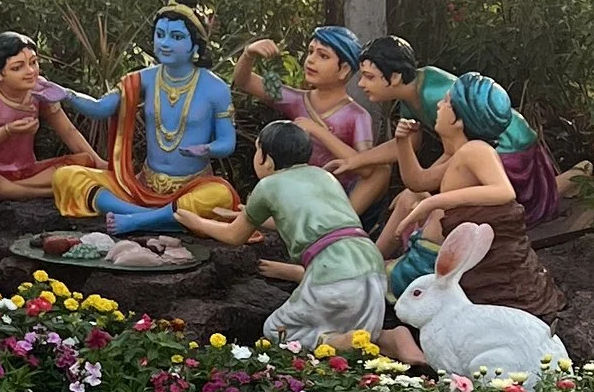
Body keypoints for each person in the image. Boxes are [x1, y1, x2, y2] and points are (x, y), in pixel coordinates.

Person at [376, 74, 564, 363]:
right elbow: (418, 180)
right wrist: (402, 143)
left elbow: (503, 190)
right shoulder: (460, 154)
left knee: (373, 282)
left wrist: (435, 202)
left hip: (438, 264)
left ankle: (394, 340)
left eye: (447, 101)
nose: (438, 104)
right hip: (435, 257)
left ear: (459, 119)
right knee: (378, 276)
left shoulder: (477, 151)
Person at [193, 120, 389, 347]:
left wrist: (197, 221)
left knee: (277, 329)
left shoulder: (269, 185)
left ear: (267, 159)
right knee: (360, 335)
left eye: (257, 150)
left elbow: (234, 236)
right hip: (372, 266)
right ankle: (394, 340)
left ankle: (331, 342)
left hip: (333, 270)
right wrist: (247, 216)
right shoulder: (323, 176)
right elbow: (306, 223)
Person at [50, 3, 238, 236]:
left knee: (220, 196)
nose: (165, 43)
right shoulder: (144, 78)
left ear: (195, 45)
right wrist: (67, 95)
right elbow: (101, 108)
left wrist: (207, 149)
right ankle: (149, 216)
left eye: (176, 36)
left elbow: (227, 143)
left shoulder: (216, 88)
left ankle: (138, 220)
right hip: (142, 185)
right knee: (66, 177)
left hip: (192, 184)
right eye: (160, 35)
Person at [342, 36, 567, 228]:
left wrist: (429, 188)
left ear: (396, 77)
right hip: (482, 145)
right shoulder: (410, 95)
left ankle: (575, 176)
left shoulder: (437, 96)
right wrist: (356, 161)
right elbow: (411, 143)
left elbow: (458, 147)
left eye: (369, 76)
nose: (361, 84)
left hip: (506, 144)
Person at [0, 32, 97, 190]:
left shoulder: (39, 89)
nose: (30, 71)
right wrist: (7, 131)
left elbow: (68, 131)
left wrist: (98, 162)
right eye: (17, 67)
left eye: (33, 62)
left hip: (29, 172)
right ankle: (42, 192)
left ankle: (18, 188)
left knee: (85, 162)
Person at [231, 26, 374, 163]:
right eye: (310, 51)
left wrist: (318, 132)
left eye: (323, 56)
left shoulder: (357, 116)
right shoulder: (296, 100)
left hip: (340, 187)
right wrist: (248, 54)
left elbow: (366, 167)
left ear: (344, 69)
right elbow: (244, 81)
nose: (311, 59)